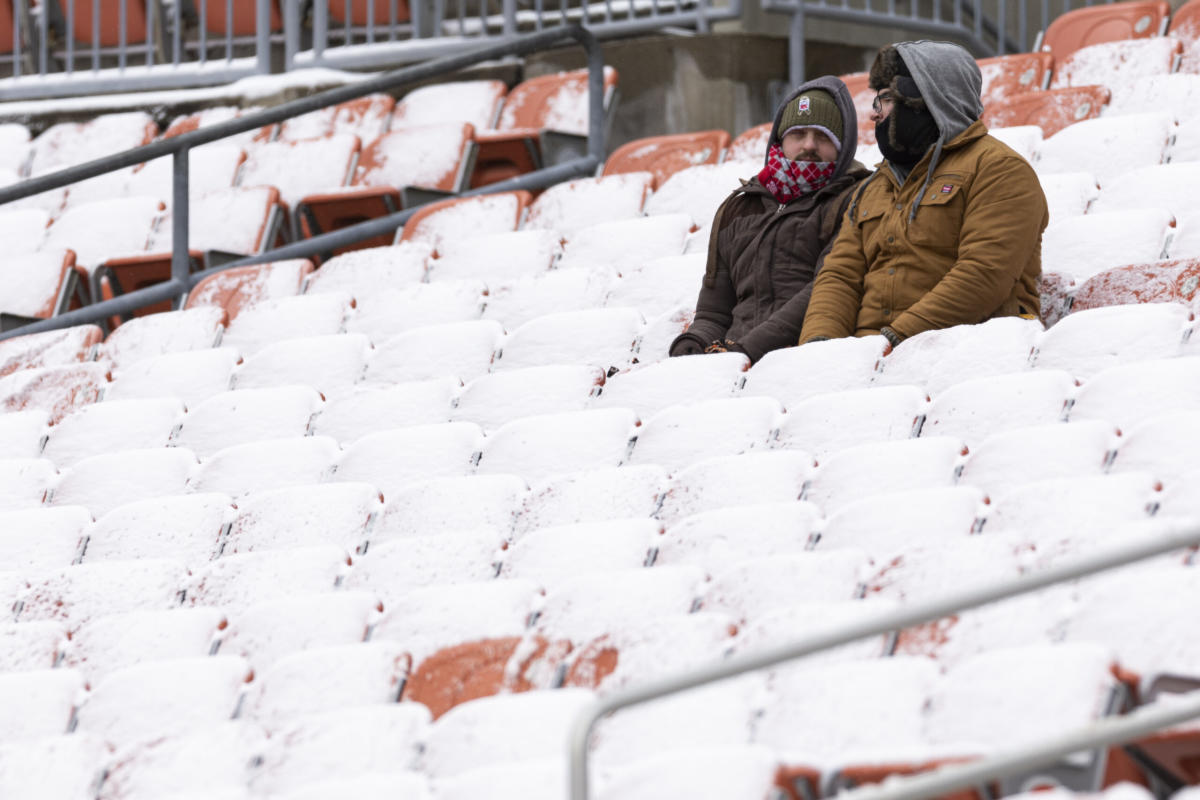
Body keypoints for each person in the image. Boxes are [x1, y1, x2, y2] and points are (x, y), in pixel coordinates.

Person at [798, 41, 1048, 350]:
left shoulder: (999, 169)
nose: (876, 116)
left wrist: (893, 340)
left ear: (925, 100)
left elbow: (984, 276)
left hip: (967, 351)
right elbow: (839, 276)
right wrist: (820, 347)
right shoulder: (874, 185)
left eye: (887, 100)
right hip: (868, 360)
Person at [668, 77, 871, 364]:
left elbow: (825, 292)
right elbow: (714, 312)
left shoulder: (855, 199)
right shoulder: (739, 208)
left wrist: (747, 351)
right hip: (734, 358)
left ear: (844, 145)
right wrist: (693, 343)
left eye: (823, 136)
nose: (809, 145)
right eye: (798, 133)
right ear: (780, 139)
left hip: (801, 356)